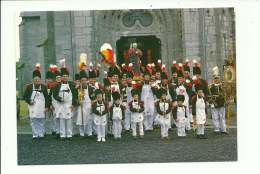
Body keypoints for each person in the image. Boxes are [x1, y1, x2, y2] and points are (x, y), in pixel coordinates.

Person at [23, 63, 50, 139]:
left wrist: (47, 107)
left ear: (40, 79)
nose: (37, 80)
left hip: (41, 107)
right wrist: (29, 101)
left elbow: (47, 98)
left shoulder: (43, 87)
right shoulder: (29, 87)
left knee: (41, 121)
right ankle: (35, 134)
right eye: (35, 79)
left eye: (38, 79)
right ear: (33, 80)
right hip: (32, 107)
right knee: (33, 120)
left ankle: (41, 133)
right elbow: (25, 96)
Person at [53, 67, 77, 140]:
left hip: (69, 105)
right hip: (61, 105)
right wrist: (60, 99)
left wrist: (73, 104)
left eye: (66, 76)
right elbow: (54, 95)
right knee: (62, 120)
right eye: (63, 76)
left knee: (69, 120)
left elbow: (74, 95)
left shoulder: (71, 85)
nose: (65, 77)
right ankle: (62, 134)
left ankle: (69, 134)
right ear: (61, 77)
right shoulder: (57, 85)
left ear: (68, 77)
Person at [76, 70, 95, 139]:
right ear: (81, 81)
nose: (84, 82)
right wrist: (79, 102)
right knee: (81, 119)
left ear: (87, 81)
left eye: (85, 80)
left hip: (88, 105)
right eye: (82, 80)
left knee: (89, 119)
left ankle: (89, 133)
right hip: (82, 106)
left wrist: (92, 107)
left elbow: (93, 99)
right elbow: (79, 99)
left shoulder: (90, 88)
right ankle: (81, 133)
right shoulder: (79, 88)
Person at [208, 66, 227, 134]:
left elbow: (225, 94)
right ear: (213, 79)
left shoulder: (222, 86)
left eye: (217, 78)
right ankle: (216, 129)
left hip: (221, 102)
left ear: (219, 79)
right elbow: (208, 95)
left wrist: (225, 101)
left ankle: (223, 129)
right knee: (215, 117)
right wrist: (211, 103)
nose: (216, 79)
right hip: (214, 102)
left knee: (222, 117)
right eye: (215, 78)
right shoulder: (210, 86)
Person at [174, 64, 192, 131]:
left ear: (183, 79)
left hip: (185, 101)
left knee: (186, 113)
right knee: (179, 114)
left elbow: (190, 94)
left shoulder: (187, 85)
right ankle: (180, 126)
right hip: (178, 101)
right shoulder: (175, 86)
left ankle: (188, 126)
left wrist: (189, 103)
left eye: (181, 78)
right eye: (179, 78)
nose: (180, 79)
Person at [45, 65, 55, 136]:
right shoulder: (43, 87)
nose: (49, 80)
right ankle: (44, 131)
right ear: (46, 80)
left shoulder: (54, 87)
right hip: (45, 105)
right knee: (45, 119)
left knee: (54, 119)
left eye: (50, 79)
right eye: (48, 79)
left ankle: (54, 130)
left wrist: (52, 104)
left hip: (53, 105)